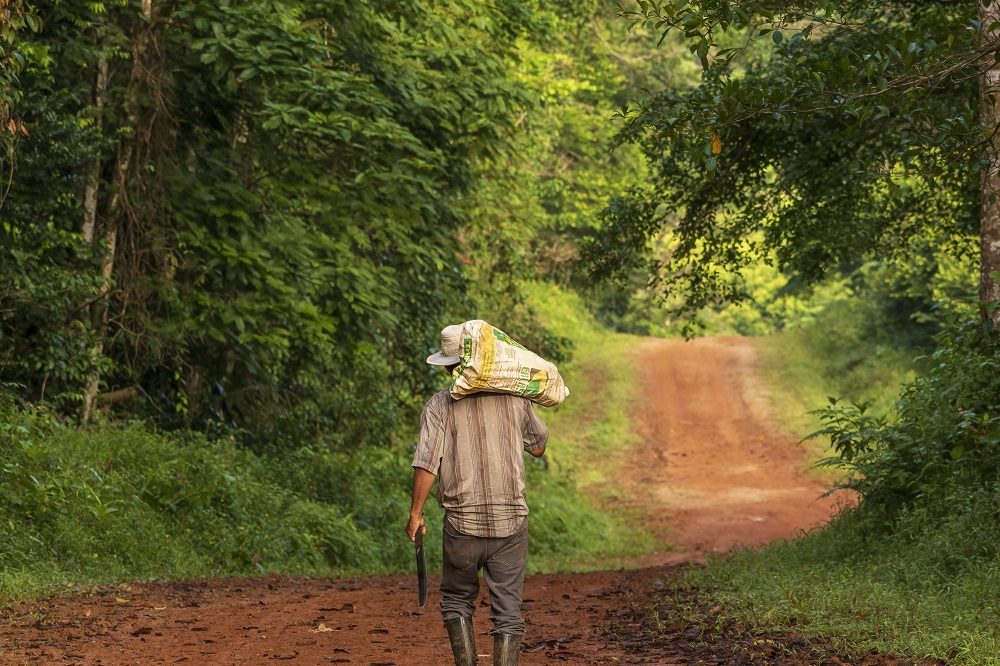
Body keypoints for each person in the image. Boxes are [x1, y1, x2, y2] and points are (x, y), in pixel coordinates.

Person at [406, 324, 548, 666]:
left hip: (463, 527)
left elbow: (428, 463)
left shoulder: (440, 405)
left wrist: (415, 513)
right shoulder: (515, 399)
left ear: (449, 366)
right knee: (508, 611)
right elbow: (539, 446)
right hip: (511, 525)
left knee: (457, 601)